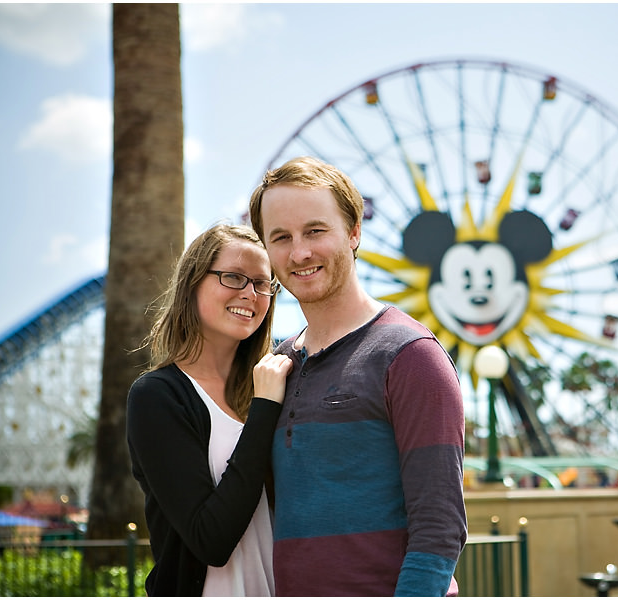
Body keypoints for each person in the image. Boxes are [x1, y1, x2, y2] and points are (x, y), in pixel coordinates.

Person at [248, 156, 468, 596]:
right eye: (281, 238)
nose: (299, 253)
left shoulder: (409, 356)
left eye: (315, 231)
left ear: (353, 232)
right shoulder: (275, 365)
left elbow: (439, 528)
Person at [126, 223, 293, 596]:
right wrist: (265, 408)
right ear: (193, 283)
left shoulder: (276, 382)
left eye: (263, 283)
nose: (250, 294)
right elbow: (211, 540)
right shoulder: (157, 397)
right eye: (233, 277)